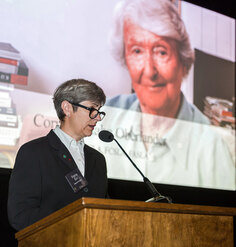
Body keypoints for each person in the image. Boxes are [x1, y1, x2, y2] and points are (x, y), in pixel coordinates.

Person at [85, 0, 235, 190]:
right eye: (137, 51)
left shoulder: (212, 147)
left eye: (161, 52)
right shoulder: (104, 119)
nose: (149, 71)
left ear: (184, 63)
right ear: (126, 61)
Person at [8, 78, 108, 231]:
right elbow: (21, 215)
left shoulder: (98, 160)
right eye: (92, 110)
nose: (98, 117)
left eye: (99, 111)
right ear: (67, 108)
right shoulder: (34, 152)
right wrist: (71, 225)